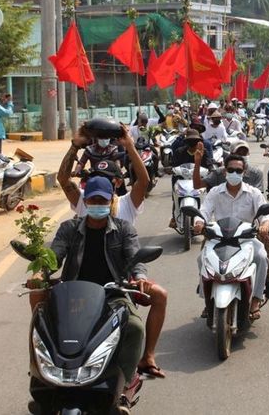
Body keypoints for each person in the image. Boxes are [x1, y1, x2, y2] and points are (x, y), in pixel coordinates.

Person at [57, 125, 168, 378]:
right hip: (78, 285)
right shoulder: (79, 208)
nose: (96, 200)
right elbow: (63, 180)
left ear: (116, 183)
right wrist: (75, 145)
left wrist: (129, 144)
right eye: (94, 180)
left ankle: (146, 357)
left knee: (157, 296)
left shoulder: (126, 210)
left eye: (106, 183)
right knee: (41, 302)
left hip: (119, 281)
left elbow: (144, 181)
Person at [26, 176, 149, 389]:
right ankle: (39, 372)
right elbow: (55, 256)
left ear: (111, 200)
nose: (97, 205)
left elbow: (134, 258)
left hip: (113, 294)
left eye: (102, 201)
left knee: (136, 327)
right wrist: (41, 273)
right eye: (93, 201)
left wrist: (140, 278)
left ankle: (126, 379)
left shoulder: (124, 229)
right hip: (73, 294)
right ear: (86, 202)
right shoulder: (69, 228)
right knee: (42, 325)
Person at [192, 141, 269, 299]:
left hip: (246, 238)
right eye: (231, 170)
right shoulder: (215, 192)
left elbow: (265, 214)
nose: (234, 173)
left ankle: (257, 298)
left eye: (238, 170)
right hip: (219, 237)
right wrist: (199, 222)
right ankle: (207, 300)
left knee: (261, 257)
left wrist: (265, 225)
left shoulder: (253, 192)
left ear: (244, 172)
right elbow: (203, 210)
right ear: (225, 171)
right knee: (201, 258)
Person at [168, 129, 214, 228]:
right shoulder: (179, 151)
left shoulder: (204, 152)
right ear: (186, 142)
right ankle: (174, 216)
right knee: (175, 192)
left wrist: (210, 169)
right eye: (190, 140)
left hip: (200, 178)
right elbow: (174, 164)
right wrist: (171, 169)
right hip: (182, 178)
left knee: (210, 191)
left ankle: (208, 215)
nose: (192, 143)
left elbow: (209, 164)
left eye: (195, 140)